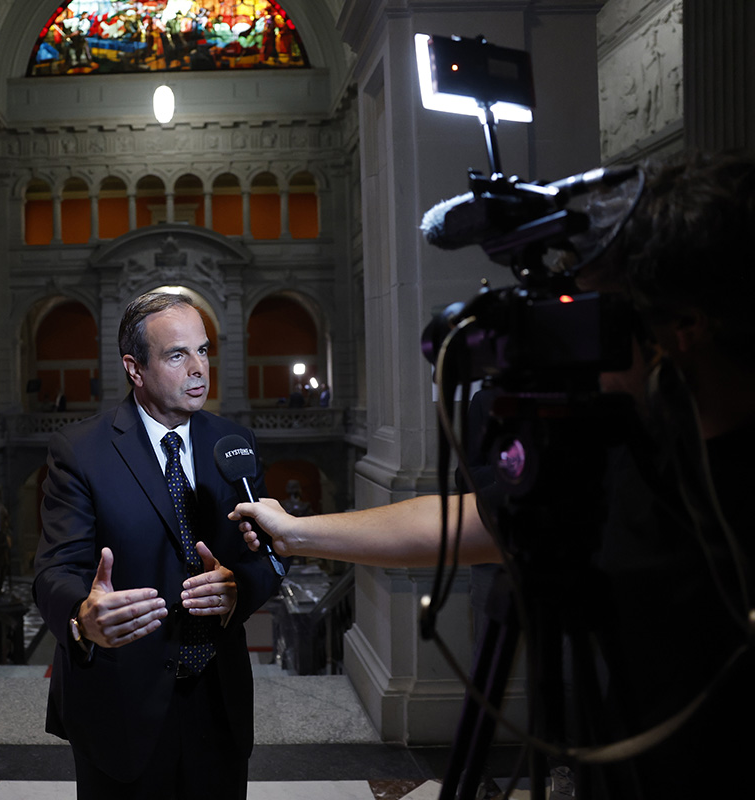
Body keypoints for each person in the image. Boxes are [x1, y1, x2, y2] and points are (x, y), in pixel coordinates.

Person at [231, 152, 755, 798]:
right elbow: (470, 520)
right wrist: (294, 531)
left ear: (683, 330)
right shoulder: (631, 448)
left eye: (596, 315)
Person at [33, 291, 284, 799]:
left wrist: (240, 589)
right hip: (122, 702)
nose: (198, 369)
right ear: (135, 368)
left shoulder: (235, 442)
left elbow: (269, 556)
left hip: (219, 702)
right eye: (177, 355)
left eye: (203, 351)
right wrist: (84, 617)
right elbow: (54, 570)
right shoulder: (79, 451)